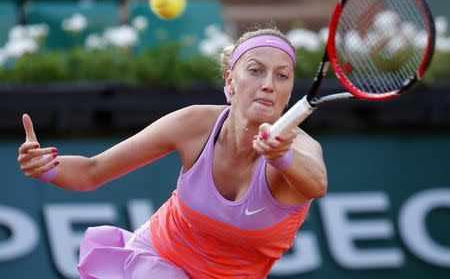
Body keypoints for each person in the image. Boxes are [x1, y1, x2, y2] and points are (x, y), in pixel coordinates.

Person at [17, 27, 327, 278]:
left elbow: (316, 184)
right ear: (231, 81)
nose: (269, 85)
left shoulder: (299, 147)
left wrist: (282, 157)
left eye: (282, 75)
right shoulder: (193, 124)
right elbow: (92, 171)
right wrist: (48, 166)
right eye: (256, 70)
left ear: (289, 91)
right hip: (155, 260)